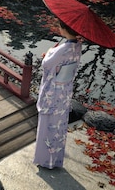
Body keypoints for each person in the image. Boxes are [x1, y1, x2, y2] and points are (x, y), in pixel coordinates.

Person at [33, 20, 82, 169]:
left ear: (64, 29)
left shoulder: (63, 48)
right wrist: (52, 54)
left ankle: (44, 160)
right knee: (59, 123)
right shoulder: (77, 46)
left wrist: (49, 52)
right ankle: (56, 159)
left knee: (47, 122)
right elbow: (59, 62)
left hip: (54, 91)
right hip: (65, 90)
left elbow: (46, 64)